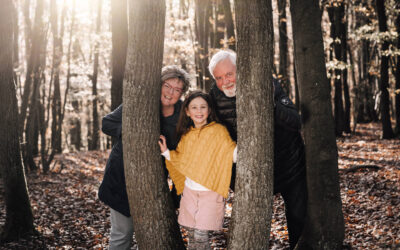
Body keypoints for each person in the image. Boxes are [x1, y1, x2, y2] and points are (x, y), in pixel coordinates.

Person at [208, 50, 307, 249]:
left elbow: (296, 121)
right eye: (219, 78)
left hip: (289, 163)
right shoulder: (214, 96)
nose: (225, 82)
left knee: (298, 216)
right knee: (253, 219)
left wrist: (271, 104)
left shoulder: (266, 83)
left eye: (229, 74)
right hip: (252, 170)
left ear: (240, 70)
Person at [98, 65, 190, 250]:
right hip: (121, 175)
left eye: (177, 89)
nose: (170, 92)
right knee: (122, 234)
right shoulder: (141, 104)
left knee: (152, 237)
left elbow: (184, 156)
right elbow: (107, 123)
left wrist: (175, 195)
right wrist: (132, 131)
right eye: (167, 86)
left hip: (155, 183)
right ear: (159, 85)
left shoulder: (184, 116)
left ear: (182, 94)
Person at [158, 91, 237, 250]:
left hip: (210, 193)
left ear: (209, 110)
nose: (199, 111)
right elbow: (181, 160)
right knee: (192, 235)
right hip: (190, 193)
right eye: (194, 107)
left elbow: (230, 153)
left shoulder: (218, 131)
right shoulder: (187, 135)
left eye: (203, 107)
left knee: (201, 237)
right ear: (187, 111)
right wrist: (166, 152)